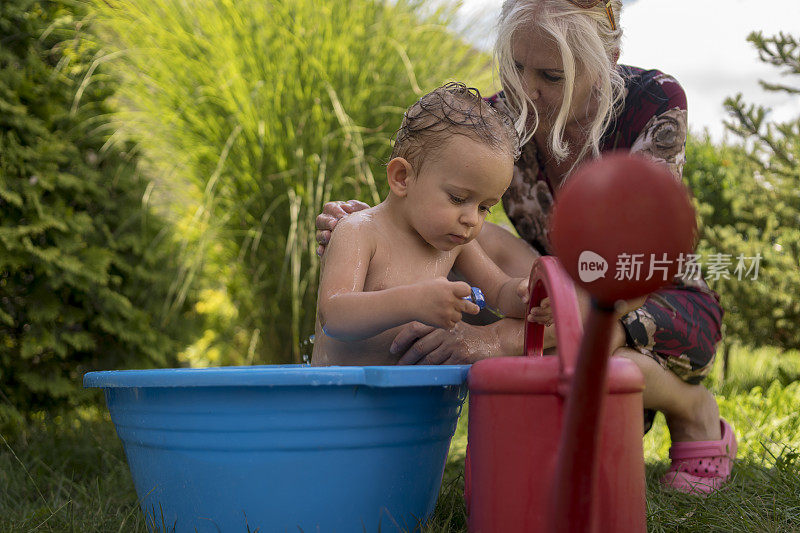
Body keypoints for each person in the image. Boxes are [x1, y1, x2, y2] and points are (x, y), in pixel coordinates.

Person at [315, 0, 736, 494]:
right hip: (547, 297)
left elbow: (632, 270)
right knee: (466, 233)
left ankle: (694, 411)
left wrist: (490, 343)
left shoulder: (651, 103)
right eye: (515, 66)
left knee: (610, 357)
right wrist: (373, 228)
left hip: (650, 298)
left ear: (608, 58)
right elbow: (447, 208)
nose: (526, 91)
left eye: (552, 76)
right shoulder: (499, 122)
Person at [311, 82, 530, 367]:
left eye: (485, 207)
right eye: (457, 198)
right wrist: (412, 303)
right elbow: (335, 315)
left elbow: (500, 292)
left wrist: (528, 296)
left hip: (421, 407)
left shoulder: (455, 246)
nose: (472, 218)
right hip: (343, 403)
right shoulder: (359, 231)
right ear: (402, 177)